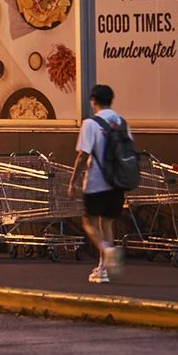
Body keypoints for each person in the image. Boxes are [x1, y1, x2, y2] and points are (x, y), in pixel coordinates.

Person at [71, 84, 130, 284]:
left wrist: (73, 182)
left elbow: (83, 155)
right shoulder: (121, 122)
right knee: (107, 223)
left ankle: (107, 250)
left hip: (97, 181)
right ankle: (103, 269)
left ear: (93, 100)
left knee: (88, 222)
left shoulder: (90, 124)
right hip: (117, 182)